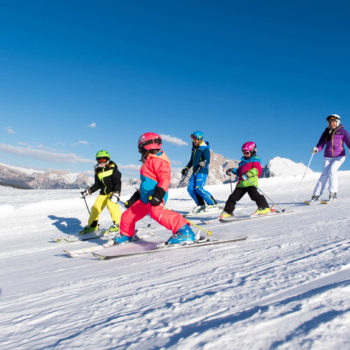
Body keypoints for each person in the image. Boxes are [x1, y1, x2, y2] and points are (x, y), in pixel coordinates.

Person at [112, 132, 196, 245]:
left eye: (140, 148)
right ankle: (127, 235)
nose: (139, 151)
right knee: (128, 215)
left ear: (147, 146)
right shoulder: (149, 161)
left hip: (156, 195)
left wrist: (159, 194)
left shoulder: (159, 161)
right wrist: (135, 197)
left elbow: (165, 179)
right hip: (144, 198)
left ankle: (184, 231)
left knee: (156, 213)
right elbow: (147, 182)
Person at [219, 141, 271, 219]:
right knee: (233, 197)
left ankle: (264, 207)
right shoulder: (242, 163)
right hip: (241, 184)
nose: (245, 155)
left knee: (255, 196)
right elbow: (240, 172)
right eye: (244, 153)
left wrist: (248, 174)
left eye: (247, 153)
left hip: (250, 182)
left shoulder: (255, 161)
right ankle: (227, 212)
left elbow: (257, 170)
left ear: (253, 151)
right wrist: (233, 170)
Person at [308, 114, 350, 202]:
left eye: (333, 122)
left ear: (337, 122)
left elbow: (348, 141)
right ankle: (316, 195)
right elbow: (321, 144)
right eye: (329, 122)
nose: (331, 123)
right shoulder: (326, 132)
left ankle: (333, 193)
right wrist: (316, 149)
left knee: (332, 170)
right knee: (324, 174)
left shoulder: (342, 131)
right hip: (327, 157)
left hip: (339, 156)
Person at [80, 150, 122, 234]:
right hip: (103, 193)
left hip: (112, 192)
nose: (102, 162)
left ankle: (119, 225)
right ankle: (92, 226)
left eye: (103, 160)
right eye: (99, 160)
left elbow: (117, 182)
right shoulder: (98, 171)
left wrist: (116, 193)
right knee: (95, 207)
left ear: (107, 159)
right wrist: (88, 191)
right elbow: (97, 185)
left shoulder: (113, 169)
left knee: (111, 205)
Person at [181, 130, 217, 212]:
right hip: (194, 172)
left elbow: (207, 160)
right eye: (193, 139)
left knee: (199, 188)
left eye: (195, 139)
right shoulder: (194, 149)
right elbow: (191, 161)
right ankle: (201, 205)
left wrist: (203, 163)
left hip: (202, 171)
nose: (194, 141)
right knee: (190, 189)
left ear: (200, 139)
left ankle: (213, 204)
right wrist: (186, 168)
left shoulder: (205, 148)